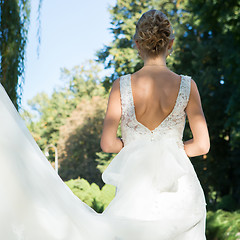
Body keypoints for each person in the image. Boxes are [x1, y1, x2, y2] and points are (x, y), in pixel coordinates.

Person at [0, 9, 210, 240]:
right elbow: (202, 145)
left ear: (137, 44)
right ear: (170, 44)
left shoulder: (122, 85)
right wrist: (168, 148)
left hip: (136, 188)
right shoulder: (187, 86)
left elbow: (108, 143)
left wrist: (138, 145)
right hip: (181, 189)